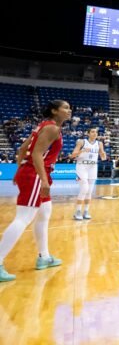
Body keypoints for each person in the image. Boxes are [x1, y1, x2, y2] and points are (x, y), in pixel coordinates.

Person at [0, 100, 72, 282]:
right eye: (65, 107)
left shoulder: (43, 126)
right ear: (54, 111)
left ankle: (44, 257)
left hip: (32, 172)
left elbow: (23, 148)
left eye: (69, 108)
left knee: (44, 214)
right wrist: (44, 180)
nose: (69, 110)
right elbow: (36, 154)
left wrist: (18, 171)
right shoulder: (52, 129)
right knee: (23, 217)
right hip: (36, 175)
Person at [70, 126, 107, 220]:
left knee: (89, 191)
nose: (95, 134)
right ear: (88, 133)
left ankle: (86, 211)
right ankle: (78, 211)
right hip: (82, 166)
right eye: (93, 132)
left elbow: (103, 157)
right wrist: (82, 151)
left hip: (93, 167)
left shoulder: (99, 143)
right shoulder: (82, 142)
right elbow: (72, 156)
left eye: (96, 132)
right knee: (84, 188)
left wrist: (103, 155)